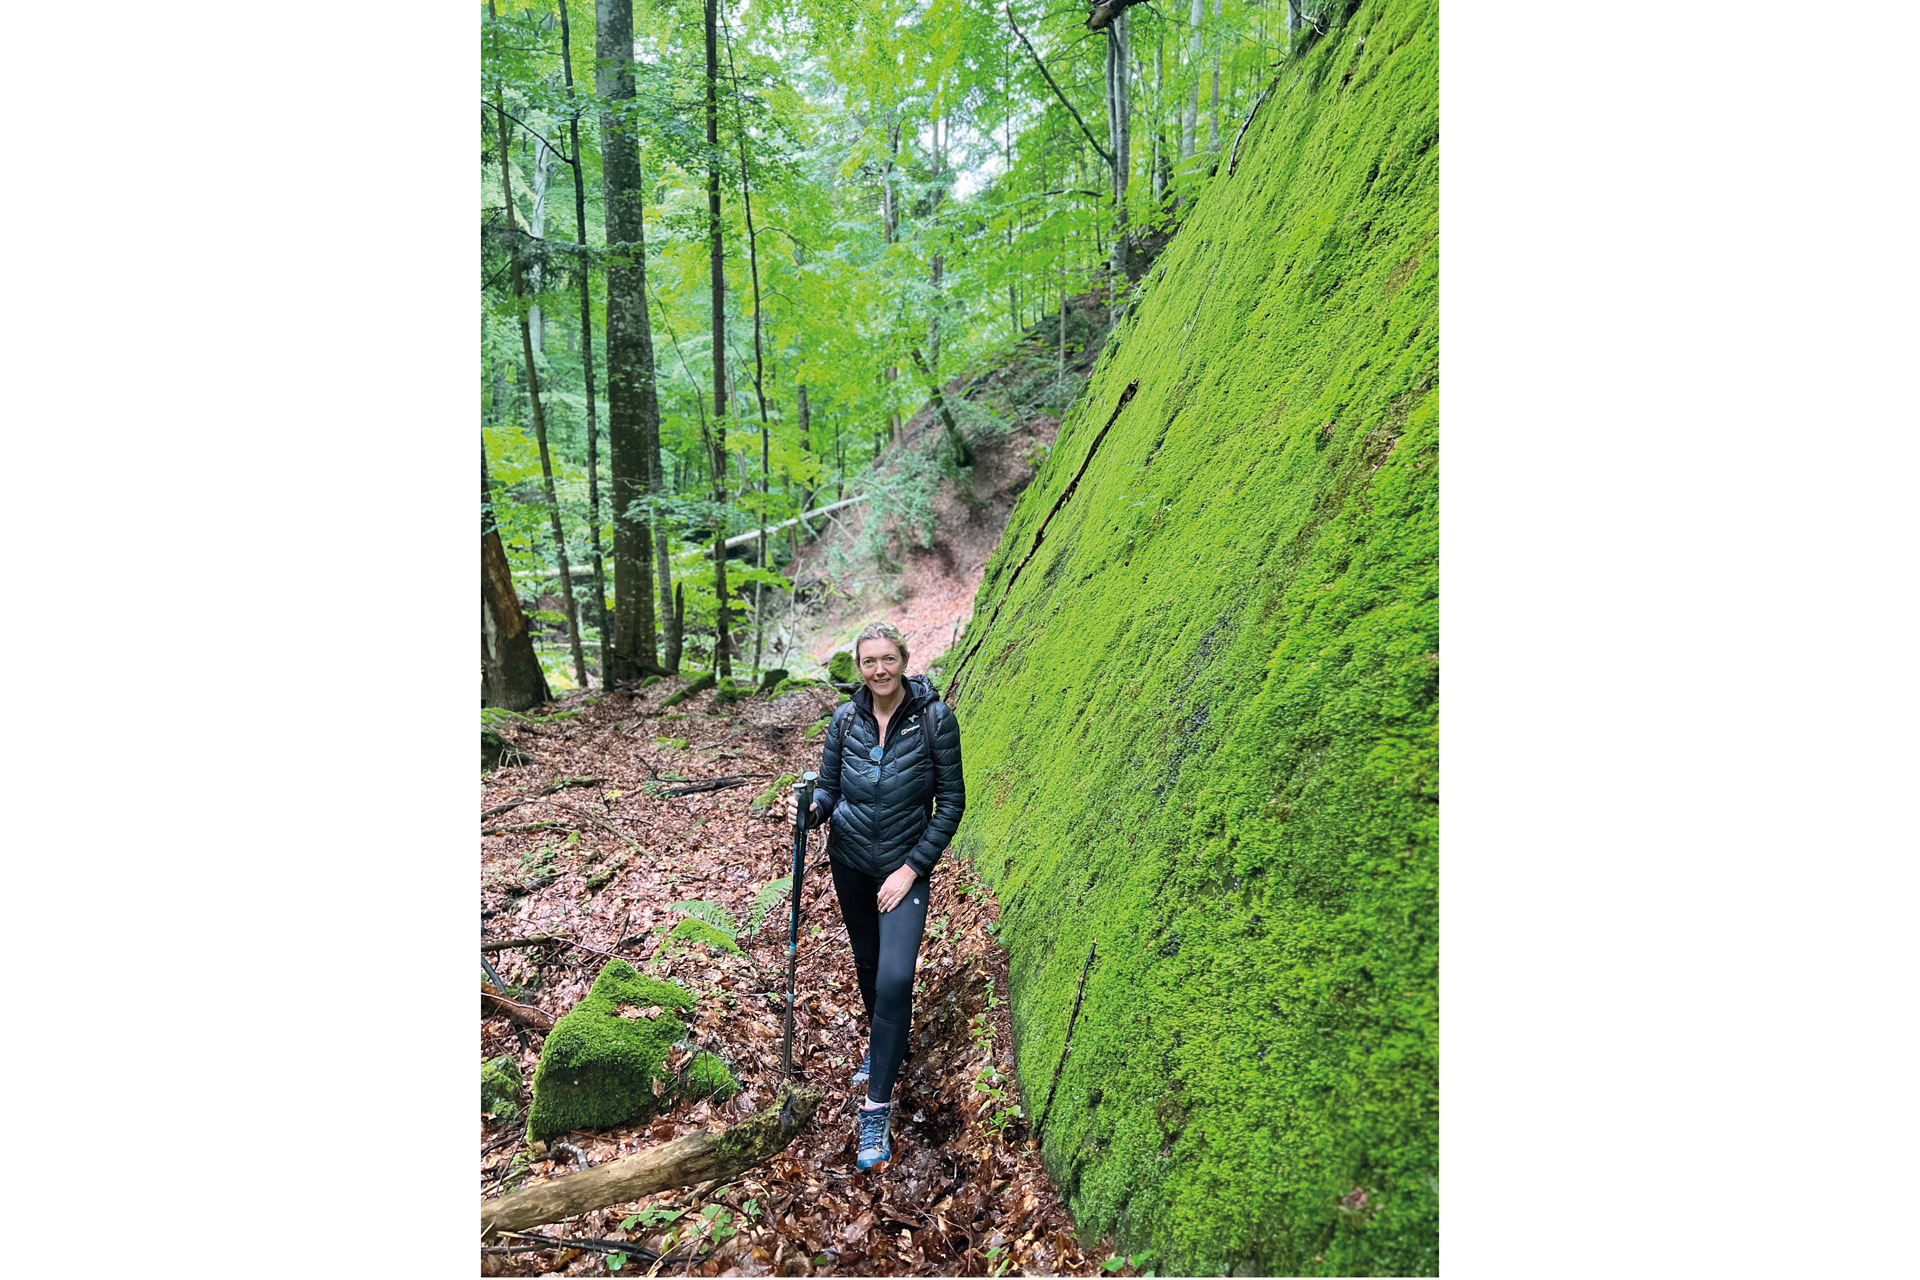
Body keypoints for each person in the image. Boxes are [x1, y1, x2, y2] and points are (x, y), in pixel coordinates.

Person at [785, 621, 965, 1171]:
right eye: (869, 662)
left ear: (904, 660)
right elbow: (831, 790)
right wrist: (811, 812)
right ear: (859, 667)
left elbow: (951, 805)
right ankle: (885, 1048)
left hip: (901, 870)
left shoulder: (934, 719)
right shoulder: (845, 719)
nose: (879, 670)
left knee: (896, 976)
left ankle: (875, 1106)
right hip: (851, 864)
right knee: (868, 963)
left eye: (888, 659)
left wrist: (911, 869)